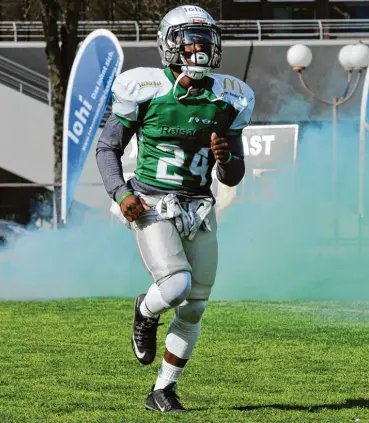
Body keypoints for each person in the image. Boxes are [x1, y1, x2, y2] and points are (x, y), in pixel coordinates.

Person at [96, 4, 255, 413]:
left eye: (206, 40)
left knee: (196, 304)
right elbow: (108, 147)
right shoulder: (144, 87)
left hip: (199, 204)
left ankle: (163, 389)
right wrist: (118, 192)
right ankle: (144, 312)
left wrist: (226, 158)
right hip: (151, 200)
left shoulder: (228, 96)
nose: (201, 48)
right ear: (170, 44)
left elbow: (234, 175)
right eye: (191, 39)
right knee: (176, 285)